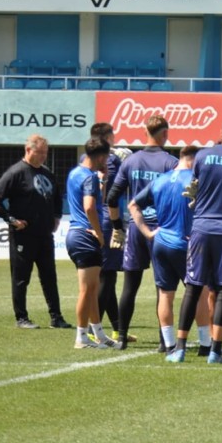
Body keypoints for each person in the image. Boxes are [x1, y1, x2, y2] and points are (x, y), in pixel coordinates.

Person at [166, 117, 222, 364]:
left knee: (193, 287)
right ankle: (215, 351)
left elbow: (196, 187)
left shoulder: (203, 156)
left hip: (201, 227)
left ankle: (180, 348)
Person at [130, 146, 219, 356]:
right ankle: (206, 344)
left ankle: (169, 345)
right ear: (194, 160)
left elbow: (133, 204)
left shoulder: (160, 180)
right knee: (201, 293)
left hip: (160, 242)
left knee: (165, 294)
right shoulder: (195, 181)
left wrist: (147, 232)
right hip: (185, 242)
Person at [106, 115, 177, 349]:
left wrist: (117, 227)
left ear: (144, 132)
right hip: (161, 230)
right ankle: (163, 341)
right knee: (163, 287)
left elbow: (112, 197)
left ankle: (122, 338)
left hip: (136, 228)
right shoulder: (170, 163)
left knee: (129, 286)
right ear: (164, 134)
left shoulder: (131, 161)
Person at [0, 134, 70, 330]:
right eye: (39, 153)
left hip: (44, 234)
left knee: (49, 276)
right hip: (23, 235)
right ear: (28, 150)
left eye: (45, 153)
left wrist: (57, 216)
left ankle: (56, 317)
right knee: (21, 277)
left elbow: (57, 197)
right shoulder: (16, 172)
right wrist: (11, 219)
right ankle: (21, 317)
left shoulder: (47, 173)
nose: (43, 157)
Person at [64, 137, 119, 349]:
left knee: (93, 288)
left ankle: (99, 334)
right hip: (85, 236)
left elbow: (95, 201)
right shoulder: (89, 177)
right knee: (87, 291)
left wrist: (103, 180)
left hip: (75, 235)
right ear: (101, 156)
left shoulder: (75, 173)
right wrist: (99, 233)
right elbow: (89, 207)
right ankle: (81, 337)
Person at [87, 122, 130, 340]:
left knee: (107, 275)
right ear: (107, 137)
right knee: (109, 275)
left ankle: (118, 328)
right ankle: (94, 330)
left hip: (96, 216)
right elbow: (111, 187)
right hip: (108, 218)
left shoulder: (85, 158)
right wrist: (125, 163)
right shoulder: (111, 159)